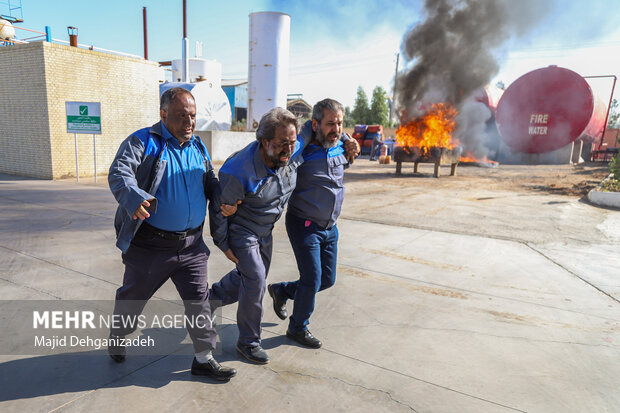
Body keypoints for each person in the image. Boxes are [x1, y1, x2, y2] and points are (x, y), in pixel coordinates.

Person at [208, 107, 359, 364]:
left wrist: (347, 140)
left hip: (266, 230)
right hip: (243, 230)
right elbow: (219, 210)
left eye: (291, 143)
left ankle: (210, 300)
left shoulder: (295, 145)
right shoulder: (238, 170)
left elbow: (325, 127)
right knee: (255, 280)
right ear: (264, 142)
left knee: (250, 277)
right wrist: (223, 244)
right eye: (281, 144)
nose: (289, 149)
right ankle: (248, 342)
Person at [107, 87, 237, 381]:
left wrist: (223, 200)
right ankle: (118, 334)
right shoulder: (144, 142)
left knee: (199, 301)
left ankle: (203, 358)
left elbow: (210, 182)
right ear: (163, 114)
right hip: (151, 244)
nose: (189, 122)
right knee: (133, 298)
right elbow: (119, 172)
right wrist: (133, 196)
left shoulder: (198, 147)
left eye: (192, 116)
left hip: (191, 245)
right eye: (181, 116)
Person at [267, 98, 349, 348]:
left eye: (340, 123)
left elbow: (342, 138)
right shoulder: (303, 149)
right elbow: (285, 155)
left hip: (330, 227)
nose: (336, 128)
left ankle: (282, 291)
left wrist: (348, 139)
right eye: (330, 123)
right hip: (305, 224)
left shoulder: (338, 144)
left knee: (326, 279)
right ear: (315, 124)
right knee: (311, 278)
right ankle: (298, 328)